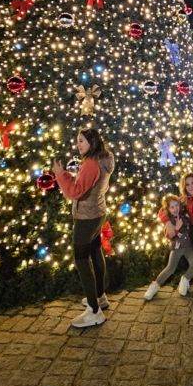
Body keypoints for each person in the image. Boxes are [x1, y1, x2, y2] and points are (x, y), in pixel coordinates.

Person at [53, 128, 114, 327]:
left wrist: (60, 174)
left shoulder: (90, 163)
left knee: (81, 258)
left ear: (92, 142)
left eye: (81, 141)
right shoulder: (104, 158)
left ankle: (94, 310)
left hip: (87, 217)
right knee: (96, 252)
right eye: (77, 141)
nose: (78, 144)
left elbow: (76, 192)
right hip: (99, 212)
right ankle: (100, 296)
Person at [144, 194, 193, 300]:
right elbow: (170, 235)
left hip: (188, 247)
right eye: (172, 207)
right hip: (177, 248)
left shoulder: (184, 216)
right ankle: (154, 286)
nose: (175, 209)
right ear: (168, 209)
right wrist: (177, 228)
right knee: (170, 268)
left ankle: (184, 280)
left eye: (176, 205)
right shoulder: (168, 221)